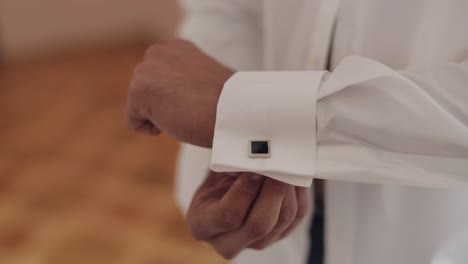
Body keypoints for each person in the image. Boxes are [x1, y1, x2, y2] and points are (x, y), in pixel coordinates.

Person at [125, 0, 468, 263]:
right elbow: (230, 10)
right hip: (274, 237)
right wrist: (231, 152)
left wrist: (244, 109)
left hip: (431, 236)